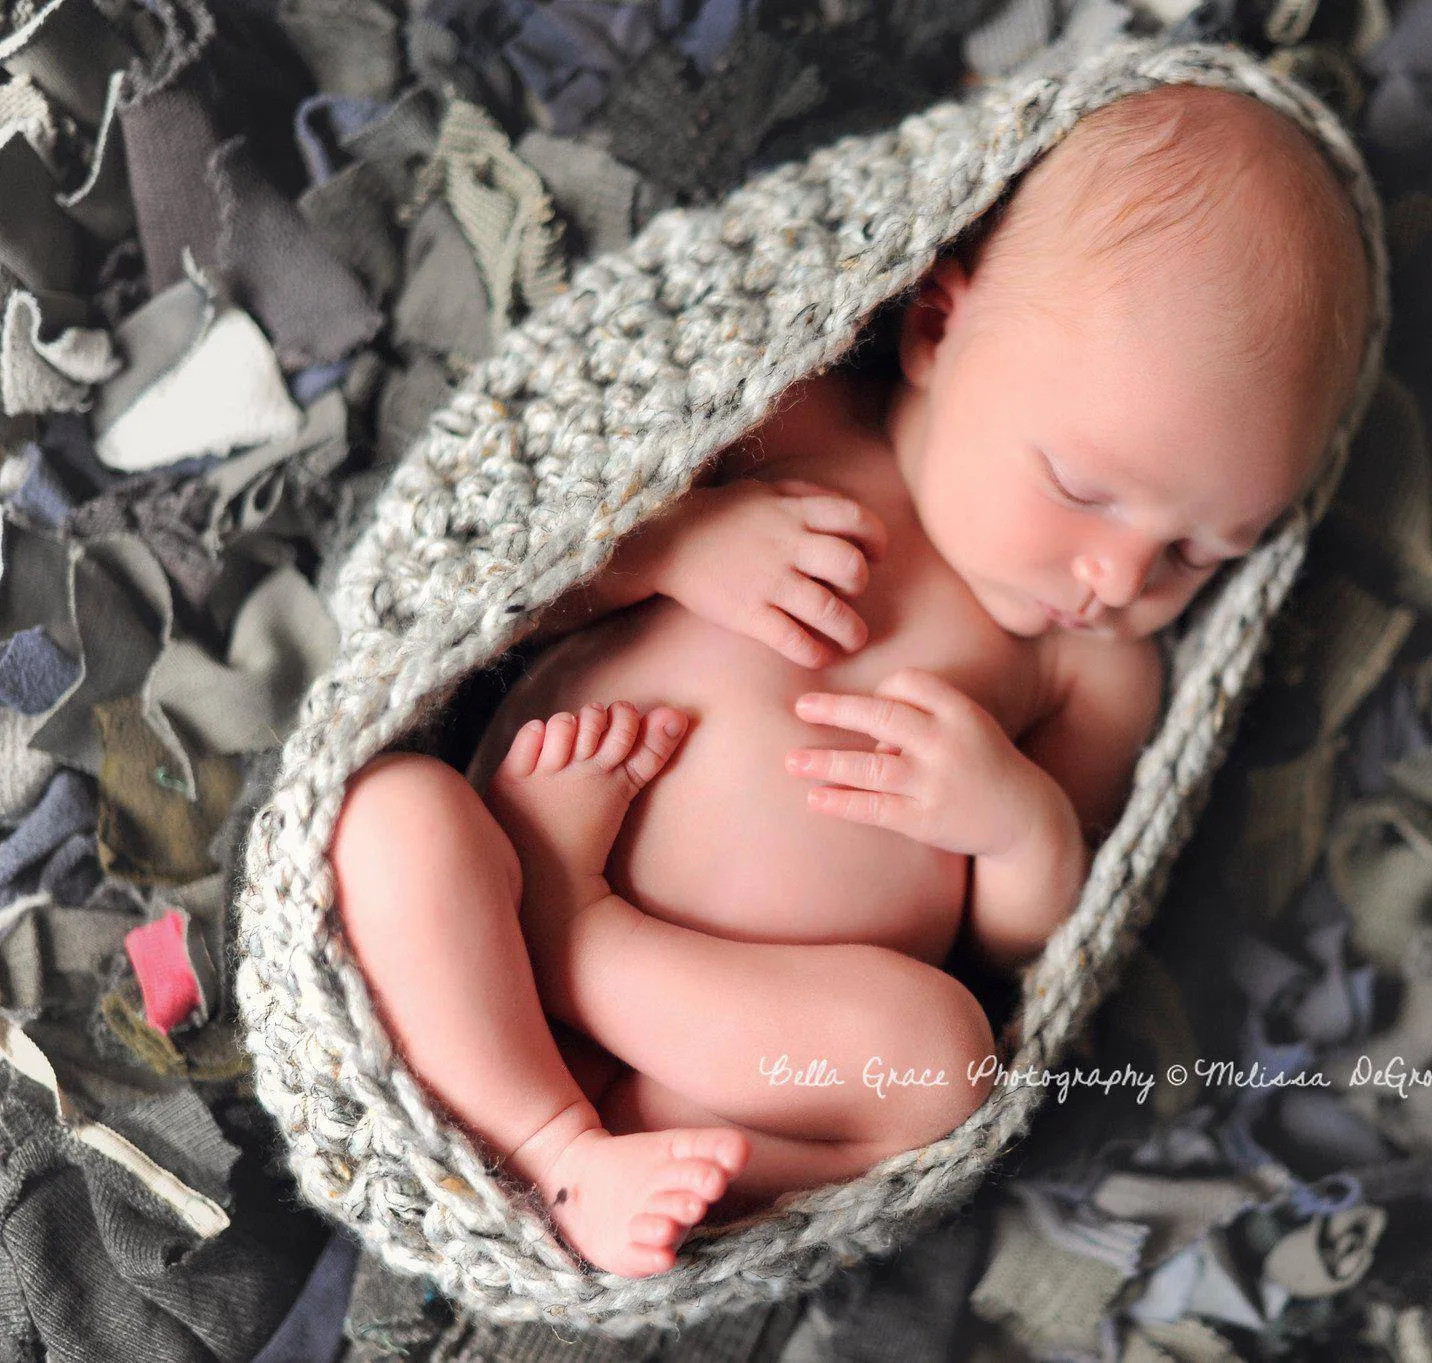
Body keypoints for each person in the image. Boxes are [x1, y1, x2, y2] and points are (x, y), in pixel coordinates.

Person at [326, 81, 1377, 1278]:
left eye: (1198, 553)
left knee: (943, 1062)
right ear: (936, 331)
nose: (1114, 575)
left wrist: (1017, 824)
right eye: (1083, 489)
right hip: (506, 877)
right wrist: (674, 542)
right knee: (388, 817)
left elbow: (1023, 947)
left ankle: (618, 1123)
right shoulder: (798, 419)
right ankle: (549, 1125)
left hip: (743, 1052)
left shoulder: (1095, 670)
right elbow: (512, 586)